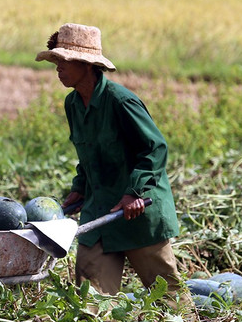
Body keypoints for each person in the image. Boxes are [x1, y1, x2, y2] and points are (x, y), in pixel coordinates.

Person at [35, 23, 189, 305]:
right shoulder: (73, 104)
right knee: (89, 300)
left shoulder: (121, 101)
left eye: (65, 61)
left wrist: (136, 191)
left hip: (137, 212)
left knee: (168, 298)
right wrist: (80, 188)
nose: (58, 68)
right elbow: (87, 154)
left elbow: (154, 148)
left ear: (87, 65)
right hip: (99, 211)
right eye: (56, 61)